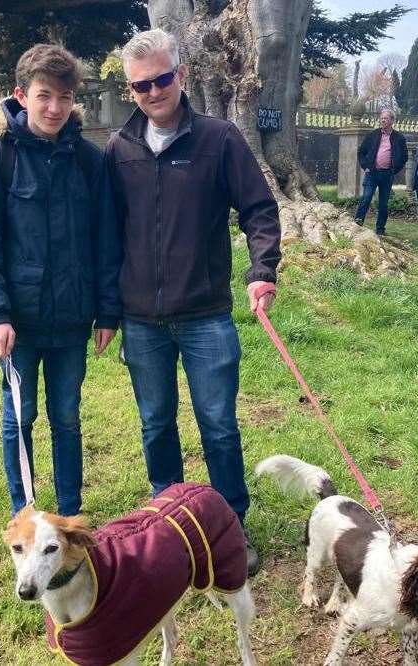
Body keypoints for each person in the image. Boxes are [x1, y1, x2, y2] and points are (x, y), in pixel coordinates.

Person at [106, 29, 281, 577]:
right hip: (141, 320)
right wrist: (105, 307)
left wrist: (261, 270)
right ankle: (167, 519)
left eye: (162, 79)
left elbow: (258, 208)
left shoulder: (220, 139)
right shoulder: (119, 149)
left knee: (218, 424)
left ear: (181, 76)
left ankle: (230, 525)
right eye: (141, 85)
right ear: (130, 88)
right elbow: (106, 231)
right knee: (155, 423)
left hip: (205, 314)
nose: (153, 91)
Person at [0, 44, 120, 517]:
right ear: (21, 95)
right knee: (19, 418)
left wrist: (107, 311)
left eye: (65, 97)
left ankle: (70, 515)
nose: (54, 108)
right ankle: (24, 515)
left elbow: (106, 244)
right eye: (44, 95)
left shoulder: (91, 162)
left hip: (72, 322)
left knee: (66, 418)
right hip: (18, 325)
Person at [354, 108, 408, 235]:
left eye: (386, 118)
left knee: (383, 203)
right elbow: (361, 151)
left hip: (387, 174)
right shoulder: (373, 135)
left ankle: (380, 229)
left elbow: (404, 157)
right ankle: (357, 223)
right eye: (382, 118)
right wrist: (365, 166)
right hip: (372, 173)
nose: (383, 120)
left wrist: (394, 169)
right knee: (366, 198)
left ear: (392, 121)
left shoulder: (399, 138)